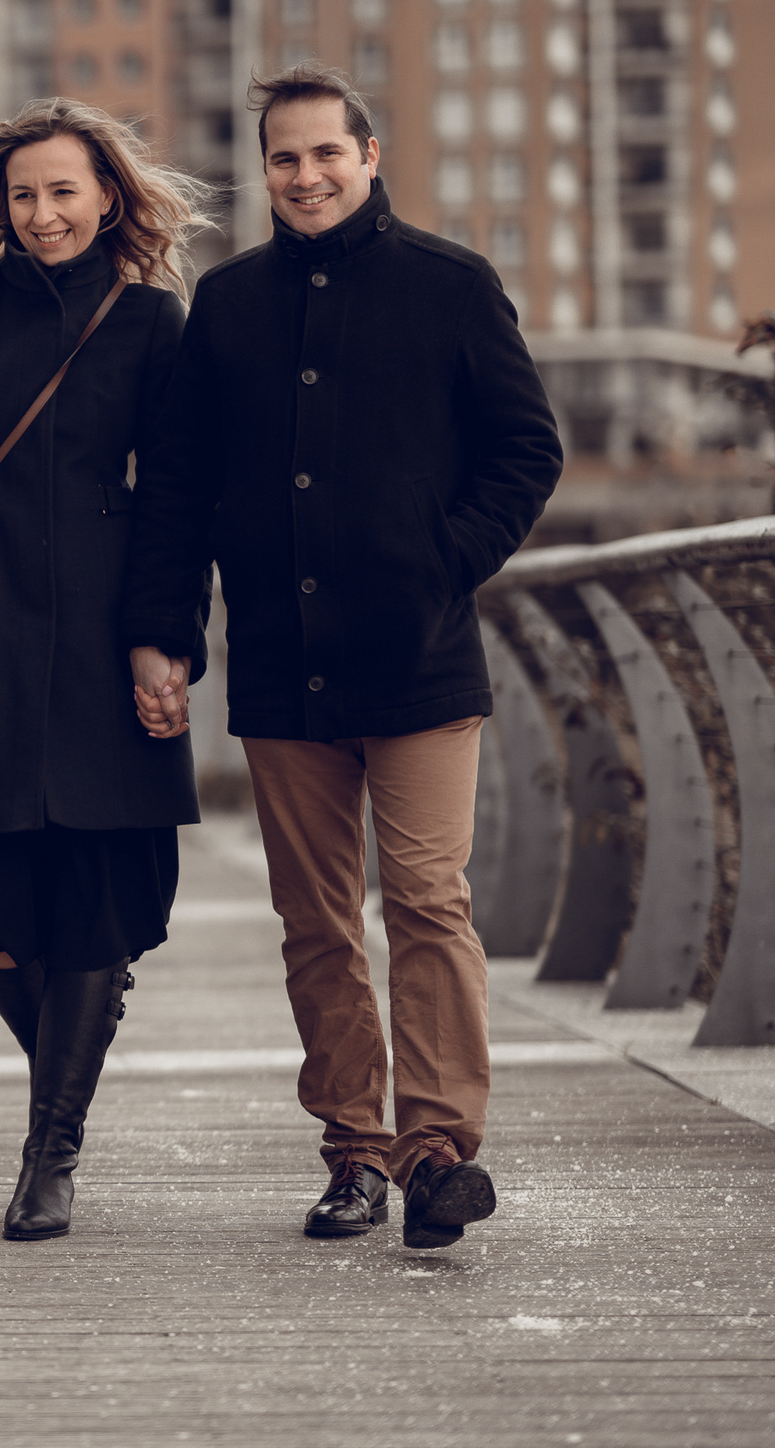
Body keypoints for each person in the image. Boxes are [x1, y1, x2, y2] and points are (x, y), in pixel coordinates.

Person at [123, 64, 562, 1250]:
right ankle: (353, 1152)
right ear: (263, 171)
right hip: (279, 664)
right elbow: (177, 487)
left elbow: (525, 451)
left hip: (418, 662)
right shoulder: (228, 304)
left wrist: (441, 561)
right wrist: (162, 634)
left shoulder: (451, 287)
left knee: (425, 900)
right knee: (315, 919)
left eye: (326, 153)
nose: (305, 176)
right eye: (283, 158)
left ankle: (435, 1152)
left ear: (370, 157)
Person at [0, 98, 211, 1242]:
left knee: (101, 910)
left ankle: (48, 1151)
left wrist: (164, 634)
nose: (44, 213)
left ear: (108, 195)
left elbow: (177, 496)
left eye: (64, 191)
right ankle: (75, 1046)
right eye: (23, 195)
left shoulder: (154, 323)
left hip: (110, 651)